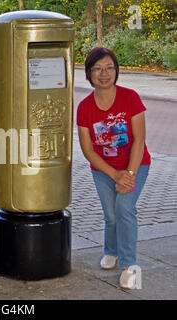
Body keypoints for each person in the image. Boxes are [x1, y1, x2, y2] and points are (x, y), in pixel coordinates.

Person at [77, 47, 151, 289]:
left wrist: (128, 175)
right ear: (89, 74)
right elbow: (88, 150)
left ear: (116, 71)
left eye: (109, 67)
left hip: (135, 165)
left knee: (124, 209)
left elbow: (139, 140)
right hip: (103, 169)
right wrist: (114, 174)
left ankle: (129, 266)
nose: (104, 73)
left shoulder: (131, 98)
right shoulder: (85, 107)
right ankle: (111, 250)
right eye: (97, 69)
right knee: (110, 214)